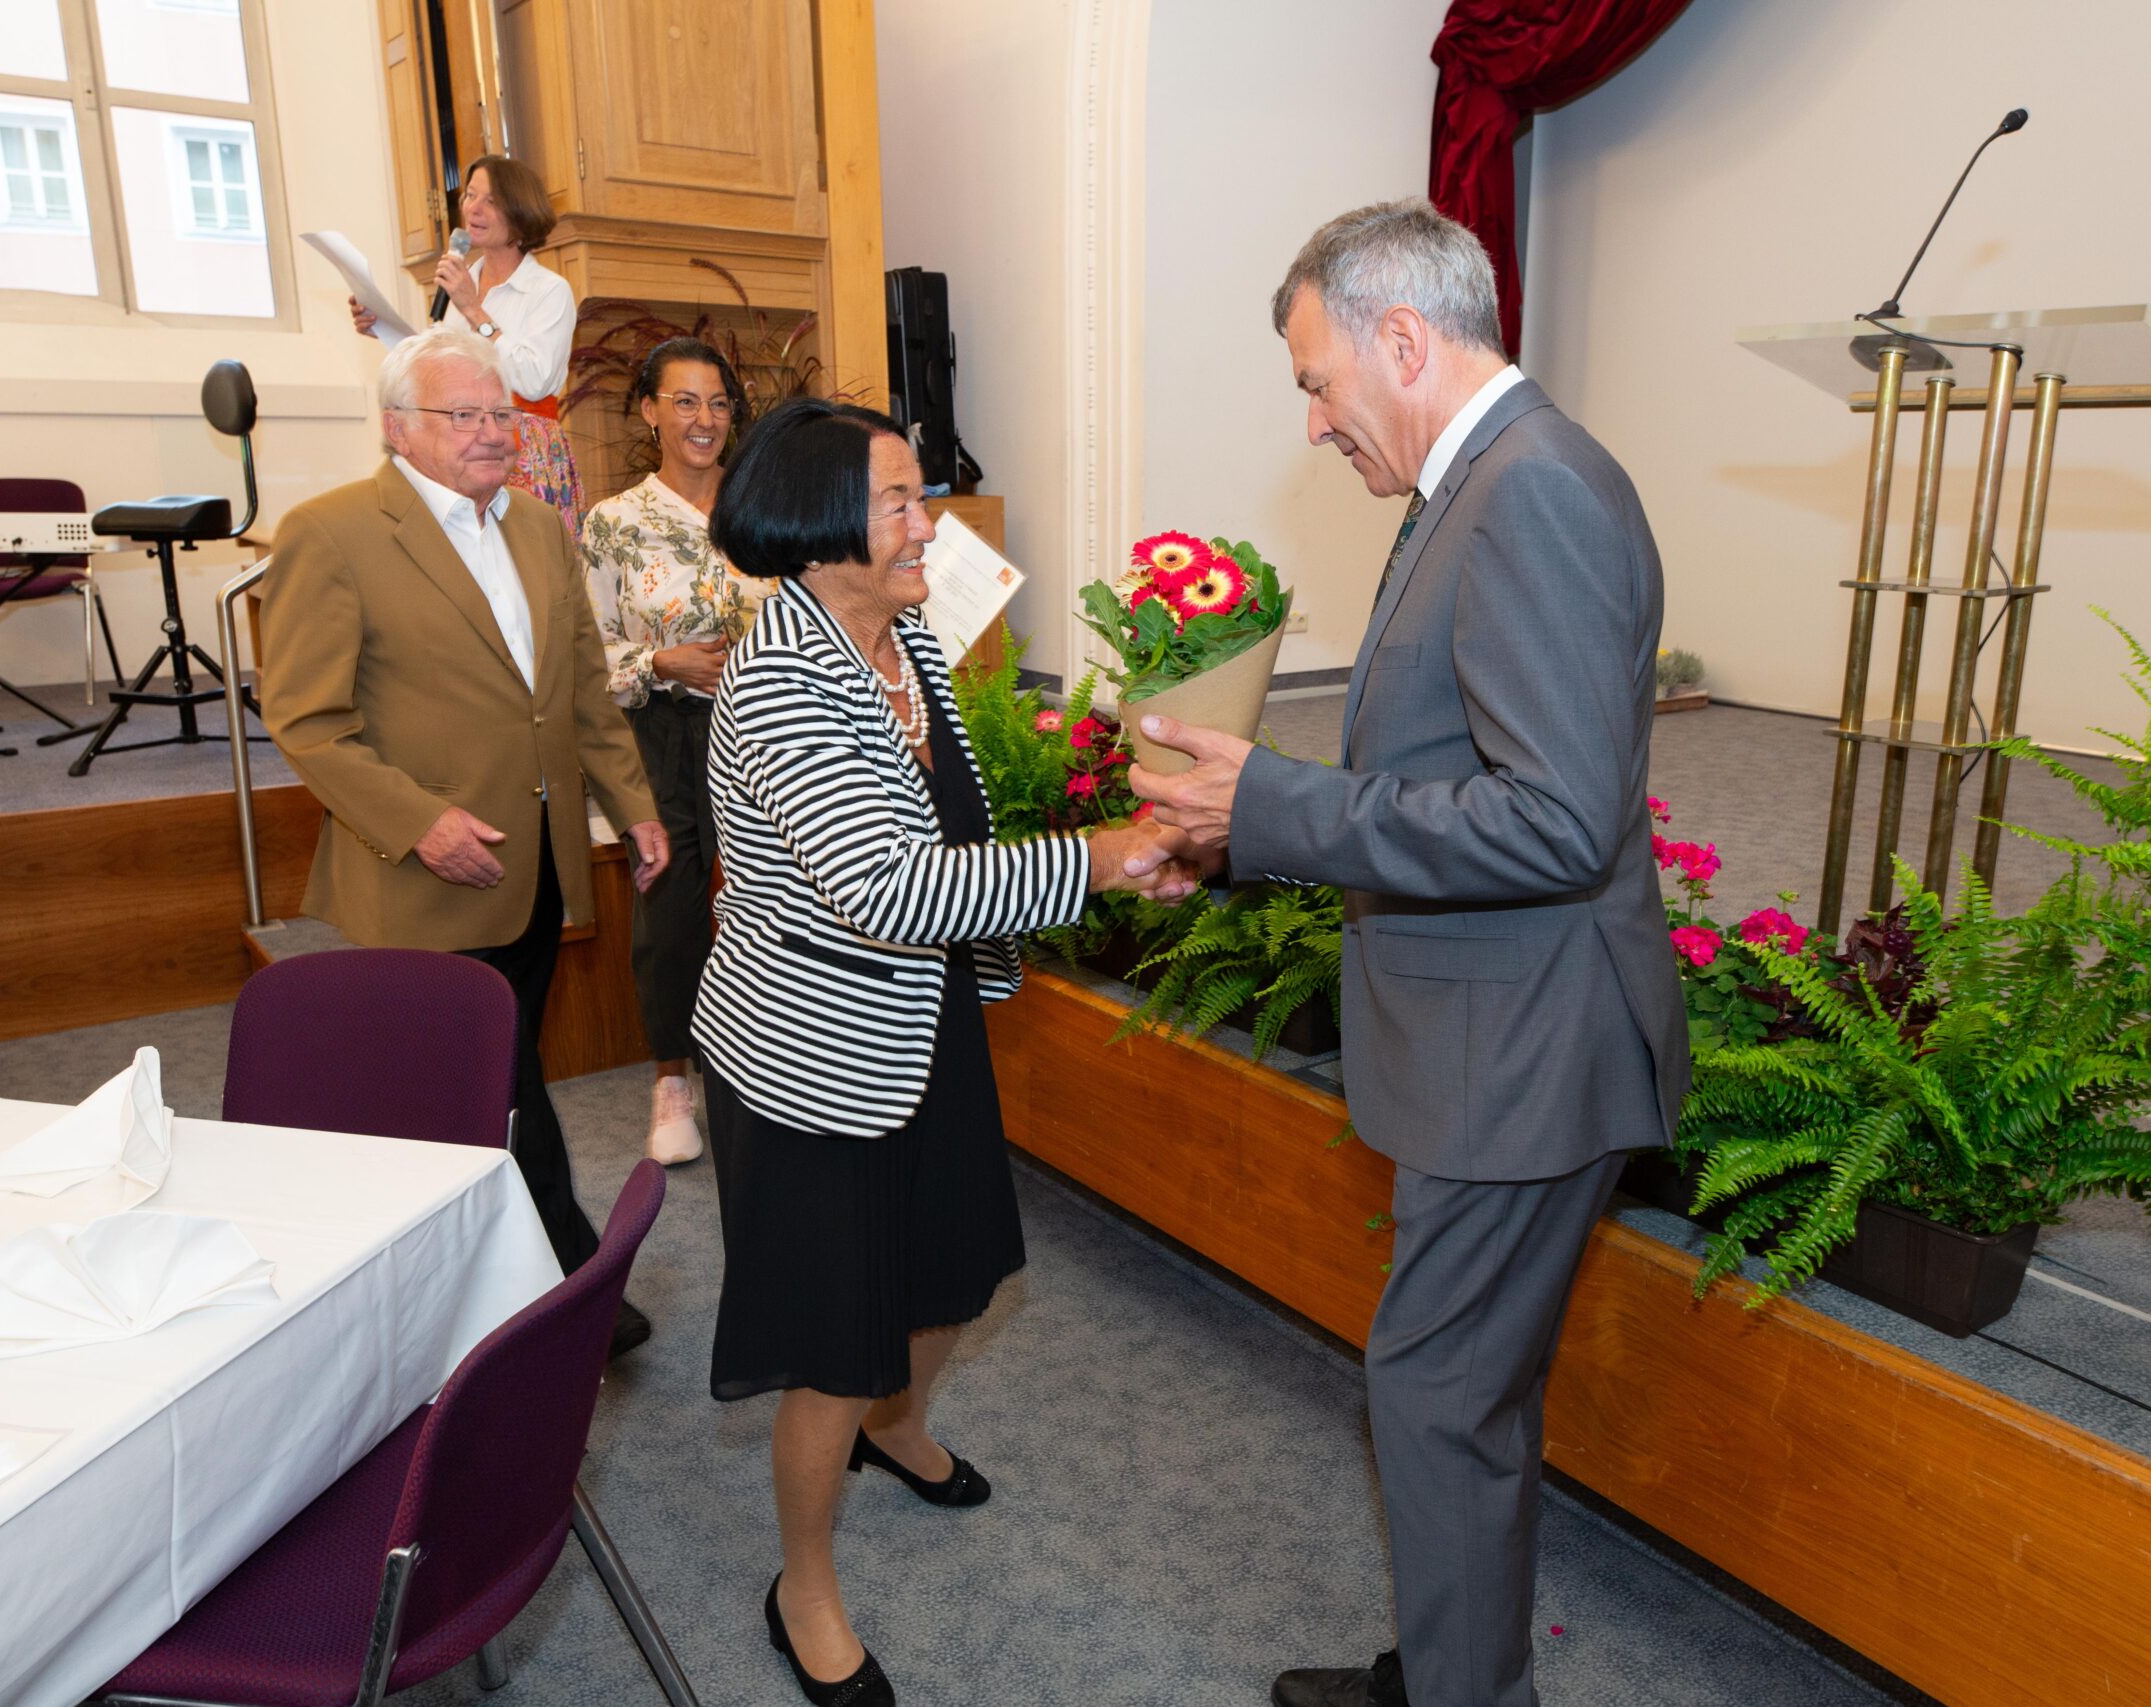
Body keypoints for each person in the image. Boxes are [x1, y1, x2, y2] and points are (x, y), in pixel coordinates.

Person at [1131, 199, 1690, 1707]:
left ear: (1400, 337)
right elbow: (1461, 766)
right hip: (1491, 1023)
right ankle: (1449, 1662)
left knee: (1438, 1395)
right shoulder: (1484, 483)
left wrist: (1281, 809)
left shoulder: (1533, 491)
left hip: (1523, 1044)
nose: (1314, 423)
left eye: (1317, 381)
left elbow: (1558, 821)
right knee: (1459, 1392)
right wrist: (1245, 835)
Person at [696, 398, 1195, 1706]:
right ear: (815, 531)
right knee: (832, 1341)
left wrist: (1115, 839)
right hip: (810, 1056)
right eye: (903, 501)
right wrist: (1096, 862)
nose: (930, 522)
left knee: (954, 1274)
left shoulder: (901, 627)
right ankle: (804, 1579)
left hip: (923, 1022)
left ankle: (899, 1426)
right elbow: (890, 887)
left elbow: (958, 814)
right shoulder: (779, 675)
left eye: (926, 495)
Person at [261, 326, 672, 1357]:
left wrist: (635, 804)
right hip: (424, 871)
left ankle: (487, 1283)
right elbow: (307, 720)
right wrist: (419, 821)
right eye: (467, 415)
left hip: (532, 865)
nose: (494, 434)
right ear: (400, 426)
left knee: (491, 1074)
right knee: (495, 1079)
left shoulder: (536, 529)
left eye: (502, 415)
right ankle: (568, 1280)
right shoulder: (334, 532)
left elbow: (577, 687)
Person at [582, 337, 771, 1166]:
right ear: (651, 410)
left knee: (772, 895)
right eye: (685, 401)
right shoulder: (614, 524)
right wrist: (662, 660)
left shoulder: (765, 511)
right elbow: (585, 654)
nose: (704, 419)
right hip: (666, 728)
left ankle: (768, 1070)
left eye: (719, 402)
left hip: (768, 728)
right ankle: (670, 1076)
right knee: (670, 904)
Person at [350, 154, 582, 530]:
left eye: (490, 201)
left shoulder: (548, 290)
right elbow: (437, 369)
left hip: (523, 445)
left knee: (527, 565)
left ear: (519, 211)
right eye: (470, 196)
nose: (474, 209)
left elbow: (536, 378)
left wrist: (474, 310)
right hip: (462, 442)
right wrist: (380, 327)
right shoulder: (464, 284)